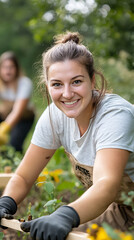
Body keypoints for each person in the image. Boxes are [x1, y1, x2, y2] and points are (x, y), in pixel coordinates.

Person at [0, 32, 134, 240]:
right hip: (124, 210)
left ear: (93, 80)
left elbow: (106, 184)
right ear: (47, 86)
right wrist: (6, 202)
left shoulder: (115, 116)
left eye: (76, 81)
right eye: (57, 84)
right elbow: (24, 176)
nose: (67, 93)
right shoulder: (55, 116)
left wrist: (64, 215)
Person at [0, 51, 35, 152]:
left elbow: (17, 111)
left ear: (16, 68)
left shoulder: (24, 83)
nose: (8, 70)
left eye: (11, 67)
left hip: (24, 118)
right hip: (6, 114)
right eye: (4, 67)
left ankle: (16, 164)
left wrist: (4, 129)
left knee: (14, 145)